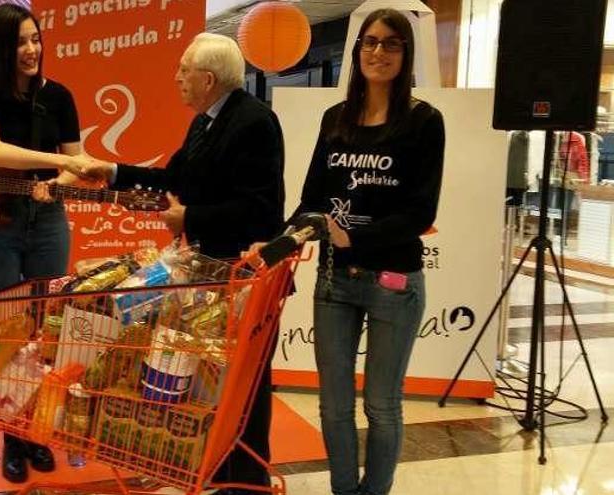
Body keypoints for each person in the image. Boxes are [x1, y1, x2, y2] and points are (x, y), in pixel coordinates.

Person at [84, 33, 285, 493]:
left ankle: (248, 482)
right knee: (215, 380)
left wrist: (188, 216)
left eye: (182, 70)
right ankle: (221, 472)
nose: (176, 78)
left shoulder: (255, 122)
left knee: (246, 385)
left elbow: (262, 210)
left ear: (208, 78)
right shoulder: (204, 123)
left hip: (244, 275)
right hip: (210, 273)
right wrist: (111, 171)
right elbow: (172, 177)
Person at [284, 9, 445, 495]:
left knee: (381, 404)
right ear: (357, 52)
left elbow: (420, 212)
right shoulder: (335, 119)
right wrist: (282, 238)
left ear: (406, 54)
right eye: (370, 43)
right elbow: (312, 199)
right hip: (334, 282)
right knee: (333, 405)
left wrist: (356, 237)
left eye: (391, 44)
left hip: (393, 282)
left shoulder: (423, 121)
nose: (378, 52)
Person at [0, 3, 96, 484]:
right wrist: (49, 162)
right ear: (2, 48)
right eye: (21, 41)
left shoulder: (59, 97)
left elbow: (76, 163)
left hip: (47, 221)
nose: (32, 49)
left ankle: (38, 431)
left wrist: (55, 178)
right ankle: (11, 437)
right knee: (6, 334)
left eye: (35, 39)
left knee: (45, 329)